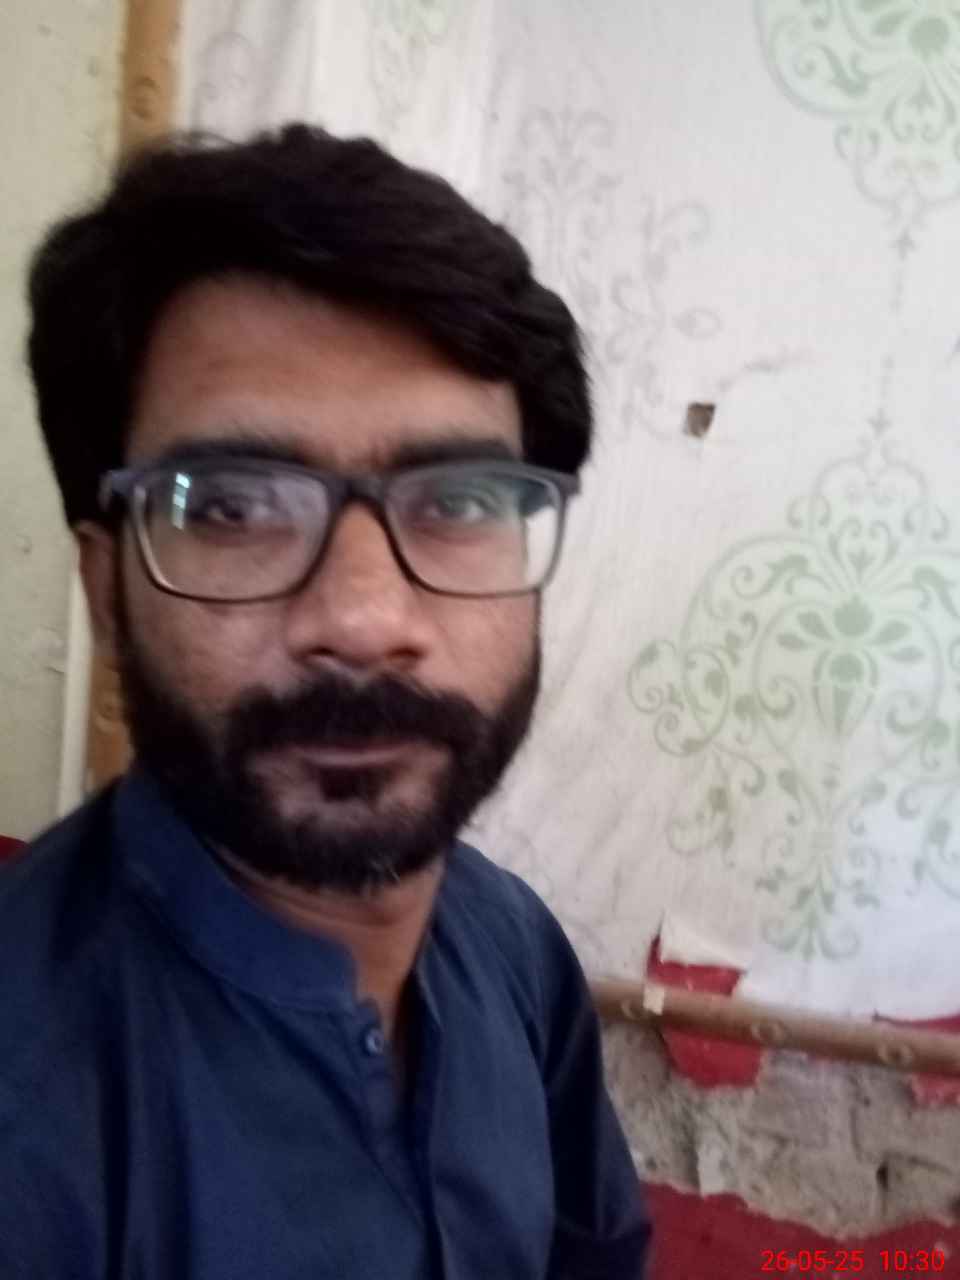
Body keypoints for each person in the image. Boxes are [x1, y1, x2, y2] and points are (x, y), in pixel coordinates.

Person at [0, 124, 650, 1279]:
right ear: (106, 587)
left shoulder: (516, 946)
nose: (361, 616)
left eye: (461, 498)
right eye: (233, 506)